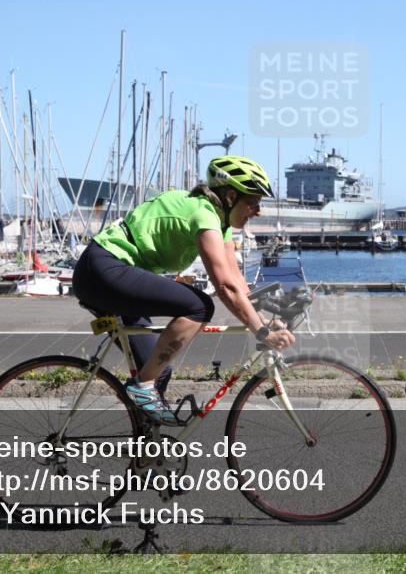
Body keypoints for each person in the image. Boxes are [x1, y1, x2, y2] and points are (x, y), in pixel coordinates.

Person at [72, 156, 295, 425]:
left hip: (108, 274)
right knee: (199, 307)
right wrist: (261, 332)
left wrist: (263, 319)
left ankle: (147, 456)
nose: (257, 210)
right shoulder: (203, 214)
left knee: (157, 370)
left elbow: (236, 281)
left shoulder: (218, 221)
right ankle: (142, 388)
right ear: (231, 195)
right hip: (103, 270)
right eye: (253, 202)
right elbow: (224, 287)